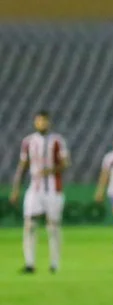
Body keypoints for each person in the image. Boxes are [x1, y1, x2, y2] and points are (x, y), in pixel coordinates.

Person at [9, 111, 70, 274]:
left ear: (49, 122)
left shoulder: (57, 141)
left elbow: (65, 164)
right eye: (39, 121)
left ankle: (54, 263)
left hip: (53, 189)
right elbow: (23, 165)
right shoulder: (28, 141)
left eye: (44, 121)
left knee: (53, 225)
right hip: (34, 189)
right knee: (29, 223)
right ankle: (30, 263)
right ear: (35, 123)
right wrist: (16, 189)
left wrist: (50, 170)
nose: (42, 124)